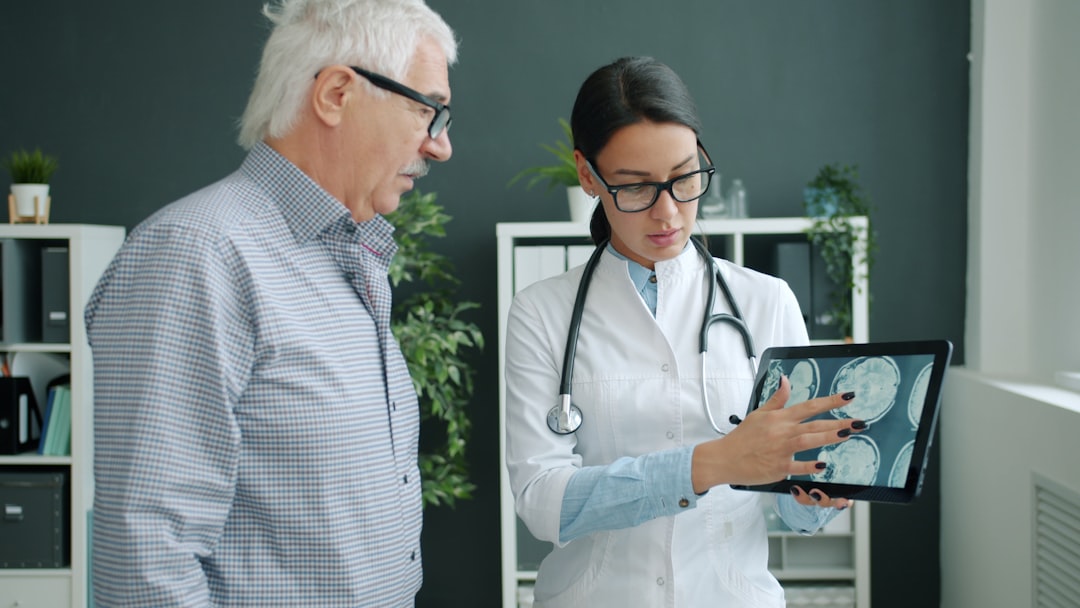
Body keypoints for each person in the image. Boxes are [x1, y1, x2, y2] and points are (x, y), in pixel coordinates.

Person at [85, 1, 457, 605]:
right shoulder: (196, 255)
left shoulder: (352, 257)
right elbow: (148, 561)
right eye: (428, 110)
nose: (440, 146)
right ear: (336, 93)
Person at [504, 56, 867, 608]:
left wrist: (820, 493)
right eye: (635, 187)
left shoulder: (767, 301)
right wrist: (713, 462)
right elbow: (542, 502)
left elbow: (795, 513)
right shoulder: (540, 314)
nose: (668, 212)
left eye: (685, 178)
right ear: (587, 175)